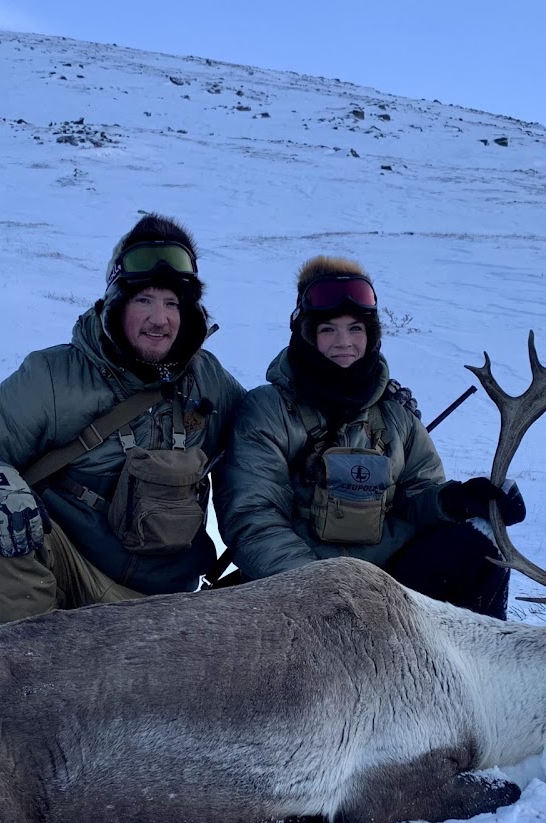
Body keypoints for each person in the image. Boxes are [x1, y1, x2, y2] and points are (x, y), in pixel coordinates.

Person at [0, 214, 245, 628]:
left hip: (176, 604)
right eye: (144, 300)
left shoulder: (210, 380)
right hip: (75, 580)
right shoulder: (53, 376)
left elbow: (263, 446)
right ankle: (27, 673)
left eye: (172, 303)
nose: (159, 319)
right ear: (116, 302)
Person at [216, 256, 526, 618]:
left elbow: (417, 498)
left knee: (481, 542)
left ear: (371, 335)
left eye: (356, 329)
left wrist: (455, 500)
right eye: (328, 329)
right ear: (307, 334)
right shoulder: (268, 410)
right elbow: (253, 517)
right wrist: (321, 593)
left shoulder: (396, 414)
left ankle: (481, 664)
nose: (343, 342)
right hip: (298, 592)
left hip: (387, 587)